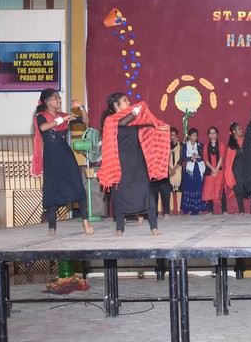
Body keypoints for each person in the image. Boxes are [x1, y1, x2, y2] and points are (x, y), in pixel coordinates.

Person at [99, 93, 169, 236]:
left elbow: (146, 124)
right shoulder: (110, 121)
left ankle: (154, 227)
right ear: (116, 105)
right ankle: (119, 228)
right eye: (125, 100)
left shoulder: (134, 121)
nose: (129, 102)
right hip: (119, 166)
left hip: (138, 164)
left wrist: (159, 126)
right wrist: (137, 109)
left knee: (146, 193)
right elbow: (122, 123)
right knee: (119, 196)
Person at [31, 89, 94, 236]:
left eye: (59, 98)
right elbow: (43, 127)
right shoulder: (41, 116)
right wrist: (61, 120)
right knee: (52, 188)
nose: (59, 100)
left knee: (77, 184)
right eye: (55, 98)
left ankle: (86, 222)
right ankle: (52, 226)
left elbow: (86, 121)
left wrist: (81, 107)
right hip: (51, 156)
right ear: (46, 102)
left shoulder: (64, 115)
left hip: (65, 153)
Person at [180, 128, 207, 215]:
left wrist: (197, 158)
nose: (195, 137)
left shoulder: (200, 145)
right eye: (193, 136)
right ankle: (189, 209)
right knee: (189, 188)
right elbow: (183, 158)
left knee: (198, 188)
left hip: (198, 169)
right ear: (189, 136)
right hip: (189, 170)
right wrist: (191, 159)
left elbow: (202, 157)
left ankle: (199, 208)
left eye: (196, 136)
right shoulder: (185, 146)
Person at [225, 122, 249, 215]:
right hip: (236, 171)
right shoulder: (231, 145)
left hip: (246, 169)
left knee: (250, 188)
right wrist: (229, 173)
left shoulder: (245, 141)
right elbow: (229, 162)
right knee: (238, 190)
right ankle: (241, 211)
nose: (241, 130)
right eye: (239, 129)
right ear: (234, 131)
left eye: (241, 128)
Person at [202, 126, 227, 215]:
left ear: (217, 135)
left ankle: (224, 210)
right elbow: (205, 159)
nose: (212, 135)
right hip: (209, 170)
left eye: (214, 133)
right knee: (209, 190)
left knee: (221, 190)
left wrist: (216, 169)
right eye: (210, 133)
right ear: (208, 135)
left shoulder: (221, 145)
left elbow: (221, 157)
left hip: (219, 169)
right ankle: (210, 210)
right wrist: (213, 169)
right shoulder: (206, 146)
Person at [168, 127, 183, 214]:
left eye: (174, 135)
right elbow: (165, 158)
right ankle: (171, 209)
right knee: (170, 189)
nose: (173, 137)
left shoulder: (181, 145)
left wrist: (175, 169)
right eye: (171, 135)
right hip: (169, 169)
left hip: (178, 169)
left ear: (177, 136)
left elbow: (181, 158)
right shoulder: (166, 145)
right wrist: (170, 169)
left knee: (179, 189)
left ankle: (178, 210)